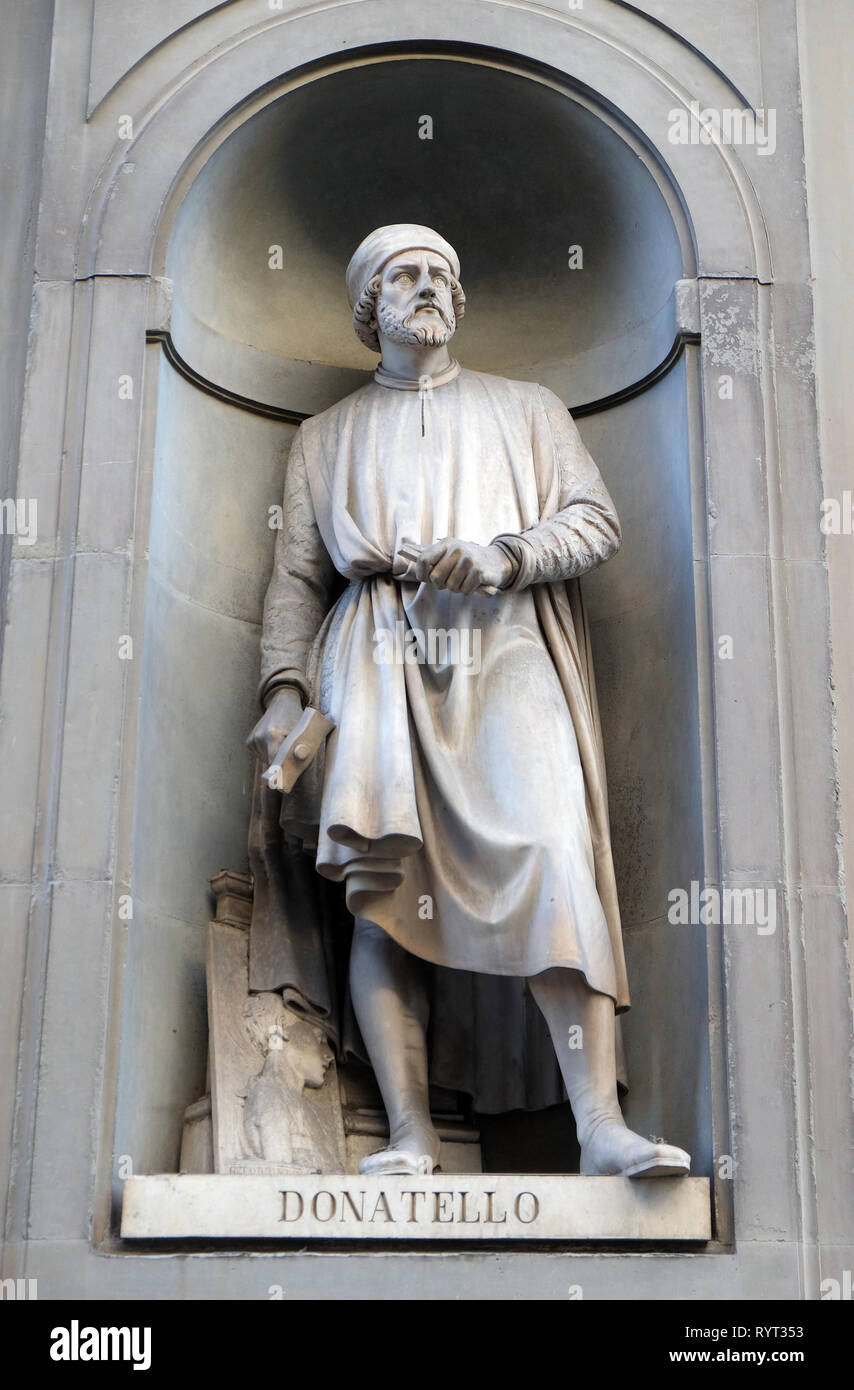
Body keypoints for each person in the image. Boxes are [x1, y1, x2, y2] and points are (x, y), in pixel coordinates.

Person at [248, 224, 690, 1179]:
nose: (430, 287)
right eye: (406, 275)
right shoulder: (323, 437)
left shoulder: (527, 409)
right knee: (380, 890)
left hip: (503, 647)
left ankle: (598, 1128)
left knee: (552, 853)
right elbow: (294, 578)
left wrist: (508, 553)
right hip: (372, 655)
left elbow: (594, 518)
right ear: (372, 305)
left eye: (444, 273)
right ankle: (411, 1137)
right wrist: (284, 690)